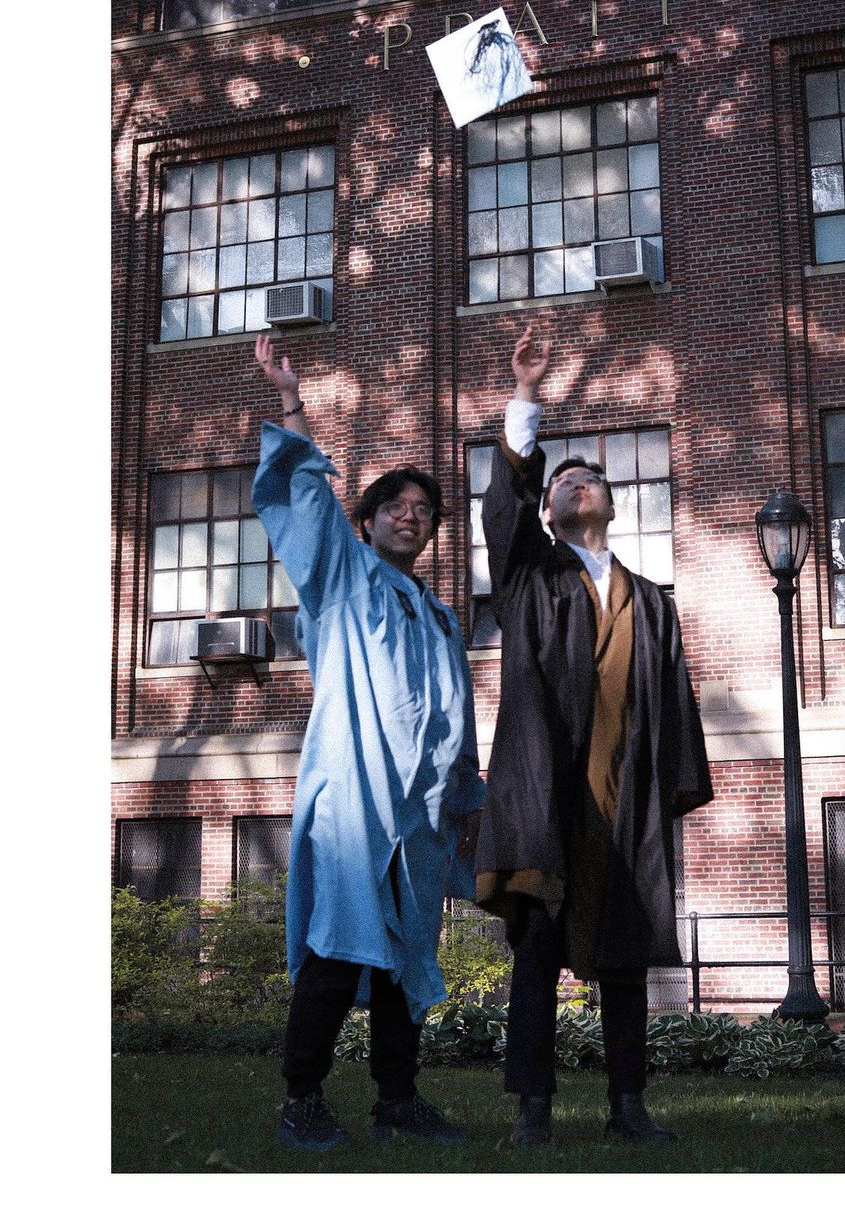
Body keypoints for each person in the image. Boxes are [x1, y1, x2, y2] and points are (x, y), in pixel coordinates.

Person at [474, 325, 714, 1146]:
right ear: (546, 509)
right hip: (548, 793)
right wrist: (527, 401)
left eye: (590, 479)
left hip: (623, 796)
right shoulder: (529, 577)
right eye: (563, 480)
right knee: (538, 954)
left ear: (612, 506)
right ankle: (533, 1109)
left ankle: (627, 1105)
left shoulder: (653, 602)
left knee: (624, 962)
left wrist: (668, 790)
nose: (579, 485)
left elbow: (676, 705)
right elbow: (501, 510)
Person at [251, 334, 484, 1152]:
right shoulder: (343, 580)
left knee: (403, 956)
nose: (410, 517)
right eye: (396, 506)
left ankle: (397, 1102)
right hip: (355, 795)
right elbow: (306, 502)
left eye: (423, 512)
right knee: (338, 945)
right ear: (369, 519)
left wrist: (465, 803)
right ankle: (301, 1102)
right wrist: (290, 400)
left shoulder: (442, 616)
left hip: (417, 812)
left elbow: (457, 721)